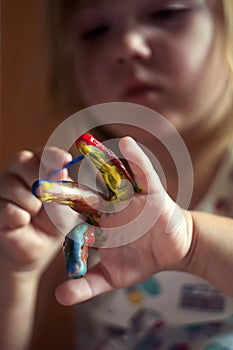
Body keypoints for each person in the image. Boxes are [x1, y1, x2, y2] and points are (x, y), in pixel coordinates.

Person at [1, 0, 233, 349]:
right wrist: (17, 271)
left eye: (166, 12)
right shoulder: (76, 196)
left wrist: (193, 243)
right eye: (95, 30)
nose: (127, 46)